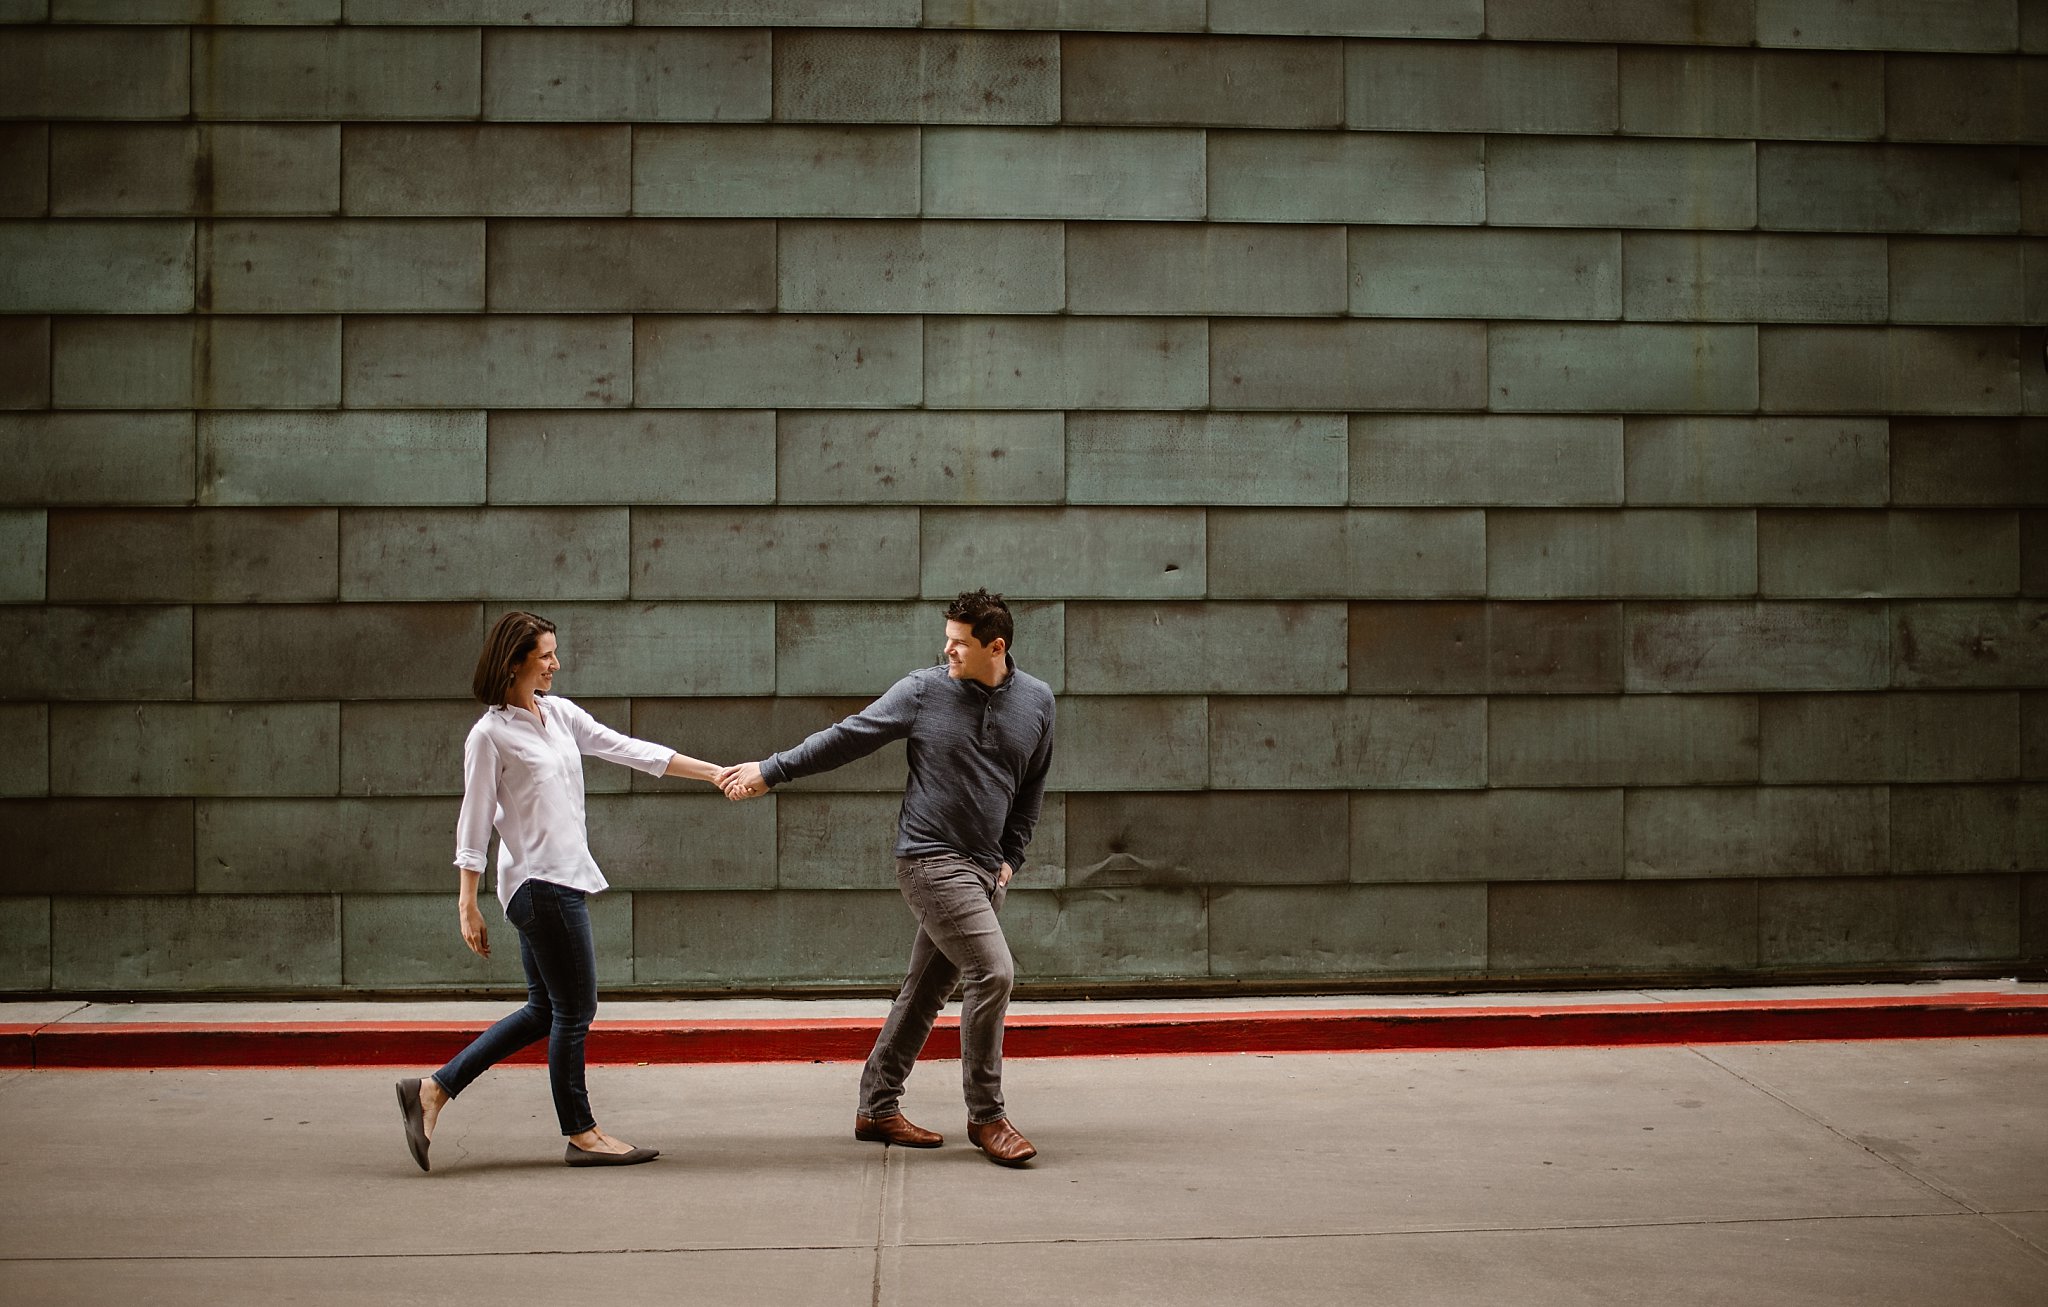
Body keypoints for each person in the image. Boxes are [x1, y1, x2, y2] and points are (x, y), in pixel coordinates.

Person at [719, 589, 1055, 1166]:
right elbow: (846, 736)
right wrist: (770, 772)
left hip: (982, 870)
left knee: (925, 992)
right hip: (929, 859)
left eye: (958, 643)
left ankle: (877, 1106)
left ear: (995, 647)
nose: (945, 650)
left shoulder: (1037, 702)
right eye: (945, 638)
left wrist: (1010, 859)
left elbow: (1031, 790)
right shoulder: (924, 690)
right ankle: (988, 1117)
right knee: (994, 973)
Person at [394, 610, 728, 1172]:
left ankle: (433, 1090)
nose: (556, 663)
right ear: (515, 661)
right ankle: (581, 1133)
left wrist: (715, 773)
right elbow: (473, 821)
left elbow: (630, 749)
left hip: (559, 878)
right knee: (576, 1009)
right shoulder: (489, 735)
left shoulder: (559, 714)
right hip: (538, 883)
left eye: (554, 652)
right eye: (546, 654)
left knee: (544, 1011)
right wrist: (465, 901)